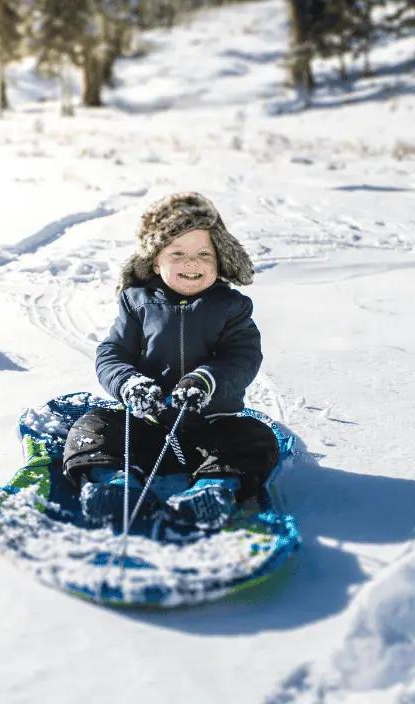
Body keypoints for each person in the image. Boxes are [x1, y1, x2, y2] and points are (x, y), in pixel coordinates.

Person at [61, 192, 279, 533]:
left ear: (220, 260)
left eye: (203, 254)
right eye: (177, 253)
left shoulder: (232, 307)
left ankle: (214, 490)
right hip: (146, 424)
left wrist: (206, 380)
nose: (191, 263)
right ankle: (114, 485)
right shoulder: (137, 303)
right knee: (95, 425)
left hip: (211, 425)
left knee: (255, 436)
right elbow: (112, 353)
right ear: (154, 260)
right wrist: (130, 383)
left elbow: (243, 357)